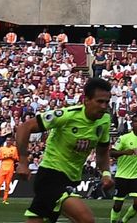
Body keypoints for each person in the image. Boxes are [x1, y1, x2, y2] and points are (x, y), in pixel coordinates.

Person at [10, 77, 117, 223]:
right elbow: (25, 127)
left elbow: (102, 151)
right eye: (99, 101)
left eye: (107, 102)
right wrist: (23, 162)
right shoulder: (67, 115)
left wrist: (105, 173)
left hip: (72, 179)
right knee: (86, 220)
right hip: (51, 176)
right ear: (86, 100)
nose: (104, 106)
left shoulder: (104, 121)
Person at [110, 117, 137, 223]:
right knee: (118, 205)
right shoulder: (124, 138)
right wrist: (124, 152)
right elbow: (111, 152)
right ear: (132, 124)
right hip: (122, 175)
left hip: (136, 175)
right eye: (135, 122)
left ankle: (124, 221)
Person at [0, 137, 21, 206]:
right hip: (3, 168)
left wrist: (12, 157)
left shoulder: (14, 149)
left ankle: (5, 199)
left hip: (10, 168)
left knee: (7, 184)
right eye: (7, 140)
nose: (8, 141)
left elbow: (17, 158)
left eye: (9, 140)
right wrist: (5, 157)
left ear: (12, 141)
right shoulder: (2, 149)